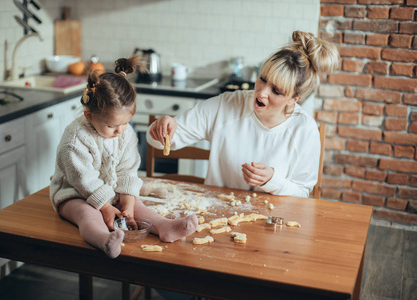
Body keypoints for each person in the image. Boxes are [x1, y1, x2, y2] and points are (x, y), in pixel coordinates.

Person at [148, 31, 339, 198]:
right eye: (262, 79)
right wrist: (162, 129)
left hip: (272, 224)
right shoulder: (227, 104)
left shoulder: (304, 129)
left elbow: (302, 193)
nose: (262, 92)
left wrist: (272, 181)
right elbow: (159, 140)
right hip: (214, 210)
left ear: (294, 99)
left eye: (277, 91)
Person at [49, 55, 198, 259]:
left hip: (109, 190)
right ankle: (103, 239)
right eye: (111, 126)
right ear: (89, 116)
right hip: (74, 193)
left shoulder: (125, 133)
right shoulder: (75, 140)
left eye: (125, 123)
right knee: (88, 214)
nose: (120, 131)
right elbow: (84, 180)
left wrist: (127, 201)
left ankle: (165, 227)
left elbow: (127, 168)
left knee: (137, 205)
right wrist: (106, 207)